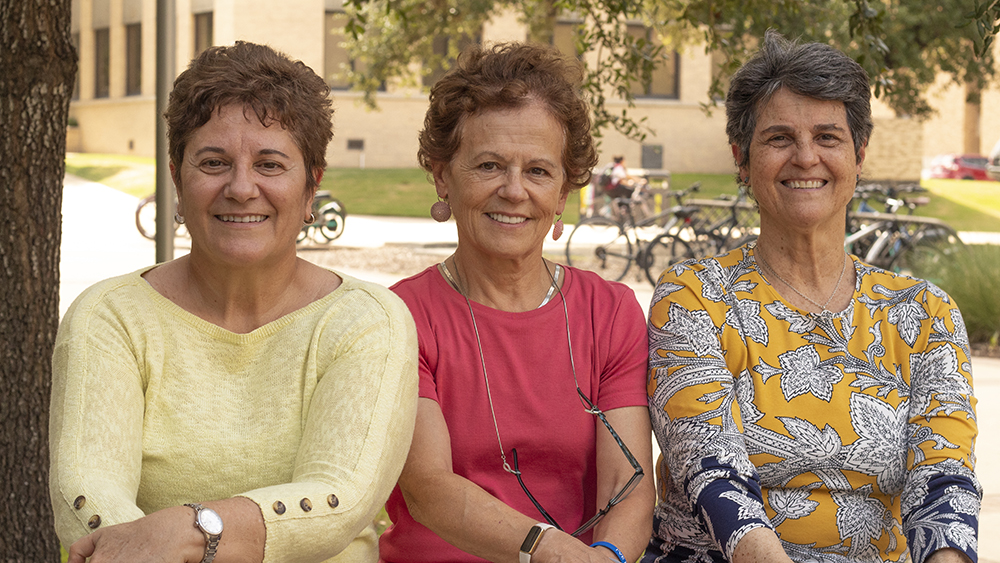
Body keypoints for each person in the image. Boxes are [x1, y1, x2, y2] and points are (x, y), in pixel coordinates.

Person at [49, 41, 418, 563]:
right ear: (177, 178)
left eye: (270, 164)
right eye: (214, 162)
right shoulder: (110, 317)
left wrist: (187, 531)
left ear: (312, 187)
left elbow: (340, 499)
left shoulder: (365, 321)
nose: (242, 188)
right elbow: (85, 497)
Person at [644, 31, 980, 563]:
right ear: (741, 158)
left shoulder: (924, 313)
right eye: (779, 138)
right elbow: (710, 470)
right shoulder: (695, 296)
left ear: (859, 156)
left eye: (828, 137)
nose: (806, 157)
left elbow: (944, 478)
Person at [379, 42, 655, 563]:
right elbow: (430, 489)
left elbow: (629, 485)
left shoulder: (611, 312)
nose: (514, 191)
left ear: (562, 195)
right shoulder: (400, 317)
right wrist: (549, 552)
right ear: (443, 176)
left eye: (538, 171)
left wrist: (609, 558)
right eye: (489, 165)